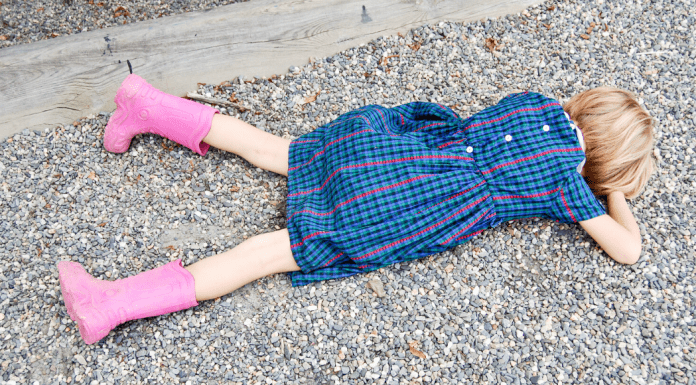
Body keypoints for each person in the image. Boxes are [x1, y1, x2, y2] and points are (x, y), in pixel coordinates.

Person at [57, 73, 655, 344]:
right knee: (269, 253)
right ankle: (112, 303)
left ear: (587, 105)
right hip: (402, 203)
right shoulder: (565, 184)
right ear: (607, 163)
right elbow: (628, 251)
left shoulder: (535, 102)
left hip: (382, 151)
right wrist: (615, 195)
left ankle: (146, 106)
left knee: (276, 149)